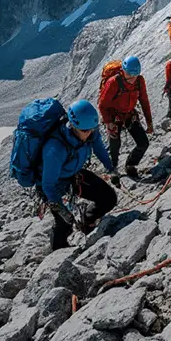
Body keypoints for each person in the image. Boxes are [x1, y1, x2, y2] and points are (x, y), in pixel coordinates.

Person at [37, 99, 119, 250]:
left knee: (109, 198)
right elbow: (47, 185)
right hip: (51, 185)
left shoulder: (89, 131)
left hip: (73, 174)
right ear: (73, 126)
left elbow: (99, 149)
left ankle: (86, 221)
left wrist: (111, 168)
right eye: (85, 131)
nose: (89, 134)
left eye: (92, 129)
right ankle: (58, 253)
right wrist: (61, 209)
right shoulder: (55, 149)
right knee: (65, 224)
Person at [99, 56, 153, 179]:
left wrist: (149, 122)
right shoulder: (113, 82)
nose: (132, 79)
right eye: (129, 75)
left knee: (143, 143)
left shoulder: (139, 81)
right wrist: (108, 123)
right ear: (123, 71)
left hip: (129, 114)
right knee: (115, 144)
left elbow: (144, 101)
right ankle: (113, 169)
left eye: (135, 75)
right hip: (114, 116)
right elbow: (102, 104)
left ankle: (131, 165)